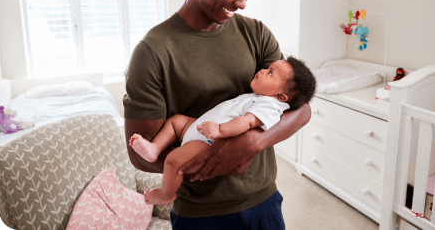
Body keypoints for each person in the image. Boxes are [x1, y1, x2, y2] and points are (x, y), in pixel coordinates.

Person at [123, 0, 312, 230]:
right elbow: (141, 154)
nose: (243, 3)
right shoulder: (153, 51)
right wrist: (209, 158)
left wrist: (253, 142)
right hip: (200, 216)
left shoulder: (257, 35)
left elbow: (301, 109)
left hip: (263, 201)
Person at [129, 57, 316, 205]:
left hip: (207, 141)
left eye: (269, 73)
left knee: (173, 160)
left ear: (280, 96)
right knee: (176, 121)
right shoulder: (260, 96)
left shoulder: (269, 105)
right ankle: (154, 148)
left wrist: (219, 129)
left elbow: (247, 122)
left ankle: (165, 194)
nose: (261, 71)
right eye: (268, 68)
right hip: (200, 128)